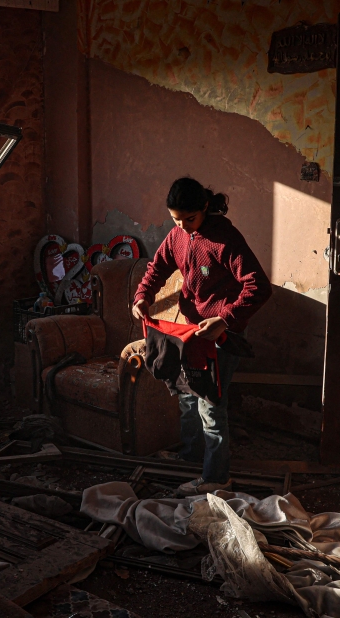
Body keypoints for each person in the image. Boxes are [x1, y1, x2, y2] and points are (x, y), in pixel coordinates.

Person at [132, 177, 271, 496]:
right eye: (176, 219)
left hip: (220, 334)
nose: (182, 226)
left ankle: (216, 477)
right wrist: (143, 296)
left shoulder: (225, 239)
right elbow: (157, 267)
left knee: (210, 406)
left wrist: (225, 320)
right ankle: (191, 459)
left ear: (205, 207)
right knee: (187, 395)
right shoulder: (178, 235)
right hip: (190, 332)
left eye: (189, 219)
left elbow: (258, 286)